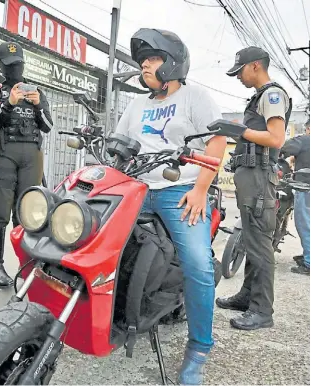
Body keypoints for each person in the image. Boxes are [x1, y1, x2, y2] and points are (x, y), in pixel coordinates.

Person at [116, 28, 226, 385]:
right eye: (143, 61)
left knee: (198, 265)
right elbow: (122, 146)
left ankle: (198, 350)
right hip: (135, 187)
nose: (145, 66)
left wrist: (199, 191)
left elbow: (217, 142)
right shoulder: (136, 104)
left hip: (178, 189)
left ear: (172, 64)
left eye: (152, 60)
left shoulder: (195, 97)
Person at [216, 47, 292, 330]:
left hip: (260, 178)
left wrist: (238, 131)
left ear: (256, 65)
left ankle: (262, 311)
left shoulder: (272, 95)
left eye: (241, 71)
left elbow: (276, 139)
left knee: (260, 244)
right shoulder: (259, 98)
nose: (238, 77)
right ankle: (248, 296)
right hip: (250, 176)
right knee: (250, 239)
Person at [0, 41, 53, 288]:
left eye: (19, 64)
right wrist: (8, 103)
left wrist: (38, 104)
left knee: (28, 215)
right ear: (2, 64)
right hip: (3, 154)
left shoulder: (36, 91)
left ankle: (27, 266)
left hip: (31, 156)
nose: (15, 69)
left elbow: (48, 126)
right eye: (10, 65)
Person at [280, 119, 310, 275]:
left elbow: (284, 147)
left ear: (308, 128)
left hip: (305, 187)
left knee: (304, 224)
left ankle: (308, 263)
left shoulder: (305, 140)